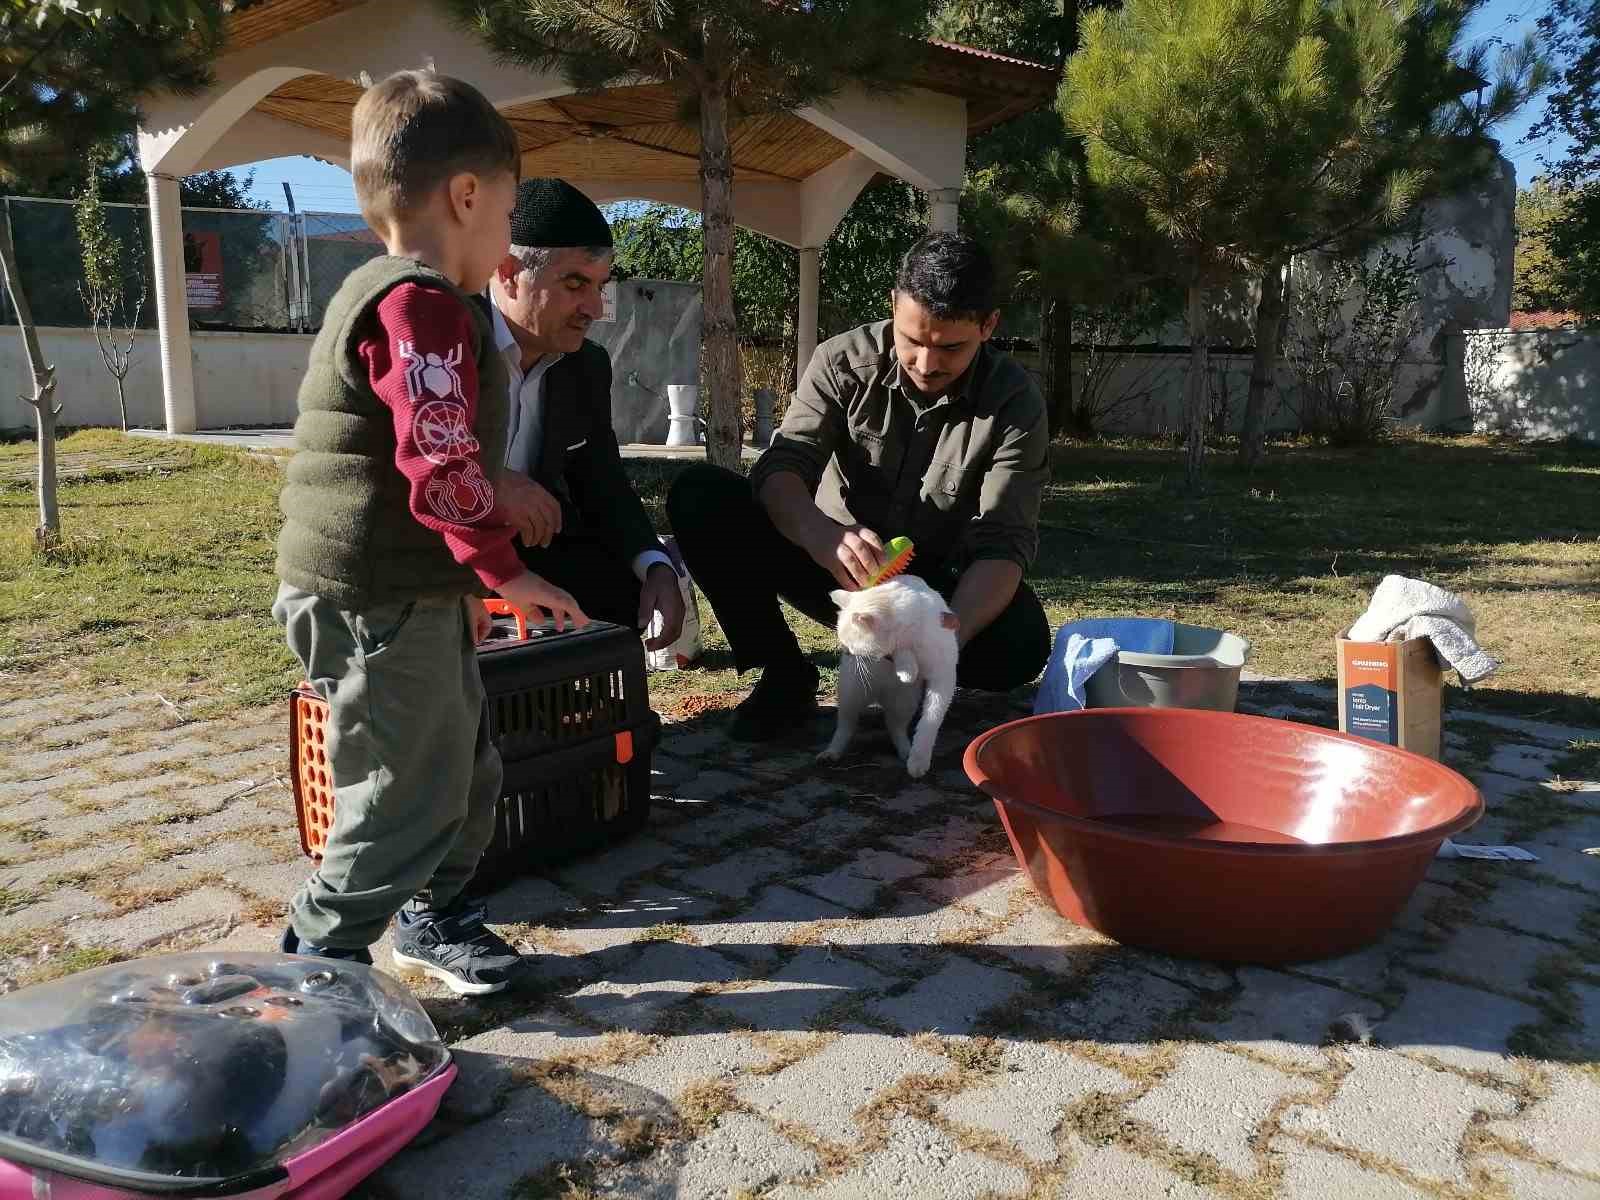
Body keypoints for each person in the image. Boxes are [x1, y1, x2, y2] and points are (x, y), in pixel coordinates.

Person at [272, 70, 587, 995]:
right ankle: (316, 970)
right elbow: (440, 458)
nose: (504, 244)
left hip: (411, 589)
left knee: (463, 766)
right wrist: (504, 572)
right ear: (466, 196)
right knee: (401, 791)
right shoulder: (423, 307)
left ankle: (435, 918)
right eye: (505, 221)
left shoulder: (393, 294)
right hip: (374, 595)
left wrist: (464, 590)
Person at [668, 231, 1052, 742]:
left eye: (951, 348)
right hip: (829, 562)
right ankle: (783, 673)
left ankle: (925, 675)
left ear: (988, 326)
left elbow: (1004, 544)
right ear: (894, 305)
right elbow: (782, 470)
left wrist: (937, 638)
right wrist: (823, 536)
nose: (926, 364)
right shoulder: (842, 361)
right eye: (912, 339)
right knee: (701, 496)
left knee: (1024, 638)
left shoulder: (1015, 402)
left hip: (929, 586)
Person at [484, 178, 685, 648]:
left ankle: (563, 709)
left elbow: (602, 481)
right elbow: (395, 458)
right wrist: (488, 481)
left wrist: (654, 564)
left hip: (528, 546)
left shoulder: (586, 365)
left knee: (623, 586)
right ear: (508, 271)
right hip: (431, 547)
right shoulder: (442, 337)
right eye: (575, 284)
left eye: (600, 286)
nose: (594, 308)